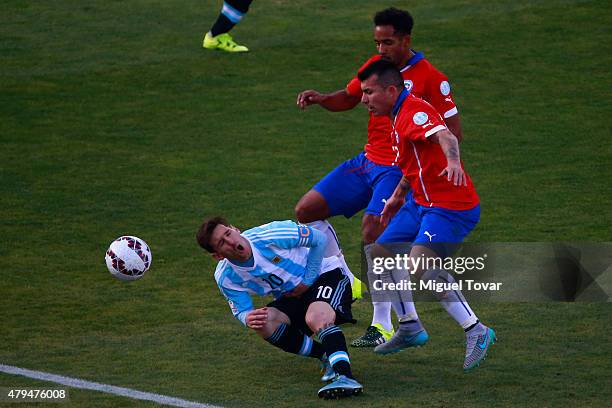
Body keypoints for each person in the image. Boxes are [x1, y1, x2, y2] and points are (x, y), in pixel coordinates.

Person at [296, 7, 463, 347]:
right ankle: (347, 278)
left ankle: (383, 323)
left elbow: (452, 130)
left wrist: (437, 171)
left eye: (388, 42)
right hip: (366, 162)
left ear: (406, 40)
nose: (381, 49)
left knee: (375, 233)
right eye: (377, 42)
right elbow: (348, 97)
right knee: (306, 211)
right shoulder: (374, 71)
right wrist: (321, 99)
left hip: (397, 169)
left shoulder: (431, 78)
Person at [358, 59, 496, 371]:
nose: (364, 99)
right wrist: (397, 196)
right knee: (380, 250)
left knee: (419, 267)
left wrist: (454, 162)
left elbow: (445, 137)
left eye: (369, 92)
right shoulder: (396, 114)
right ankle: (409, 326)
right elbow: (415, 161)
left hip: (450, 207)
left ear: (391, 90)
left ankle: (477, 330)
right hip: (422, 202)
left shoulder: (413, 112)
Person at [196, 217, 363, 398]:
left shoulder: (270, 235)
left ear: (235, 229)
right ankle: (325, 355)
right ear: (218, 256)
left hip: (326, 275)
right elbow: (242, 310)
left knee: (316, 317)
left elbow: (319, 239)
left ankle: (345, 376)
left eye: (228, 234)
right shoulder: (226, 276)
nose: (230, 241)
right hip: (293, 296)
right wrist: (247, 318)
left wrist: (307, 280)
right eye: (222, 242)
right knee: (263, 322)